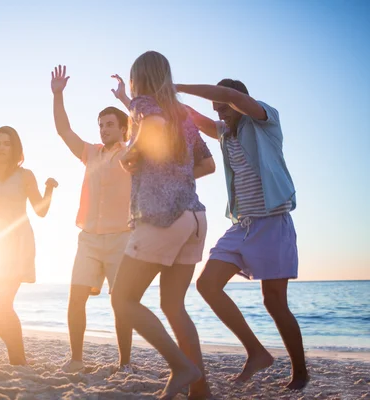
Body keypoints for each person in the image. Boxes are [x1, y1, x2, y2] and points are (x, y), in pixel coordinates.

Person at [176, 79, 309, 390]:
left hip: (273, 222)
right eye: (217, 110)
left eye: (224, 107)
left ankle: (300, 371)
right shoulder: (225, 133)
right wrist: (162, 95)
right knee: (207, 284)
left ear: (238, 101)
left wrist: (178, 84)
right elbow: (194, 115)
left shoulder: (264, 119)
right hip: (242, 225)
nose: (221, 113)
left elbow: (227, 96)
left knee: (274, 302)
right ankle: (256, 351)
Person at [110, 51, 216, 399]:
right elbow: (208, 164)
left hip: (161, 217)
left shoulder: (145, 104)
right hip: (194, 217)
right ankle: (199, 392)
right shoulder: (183, 115)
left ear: (140, 78)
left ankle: (181, 366)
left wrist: (130, 154)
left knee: (123, 299)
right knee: (173, 305)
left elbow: (150, 128)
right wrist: (176, 174)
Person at [50, 65, 132, 373]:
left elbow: (145, 127)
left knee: (121, 302)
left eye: (109, 124)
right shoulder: (91, 153)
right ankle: (76, 359)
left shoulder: (131, 152)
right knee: (75, 299)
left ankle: (125, 363)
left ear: (124, 128)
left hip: (122, 237)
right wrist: (58, 95)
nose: (103, 129)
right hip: (88, 238)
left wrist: (125, 98)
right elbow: (63, 131)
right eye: (100, 125)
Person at [0, 126, 58, 365]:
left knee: (3, 303)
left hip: (17, 244)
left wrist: (49, 189)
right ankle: (13, 344)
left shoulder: (25, 175)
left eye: (6, 143)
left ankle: (17, 359)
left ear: (15, 147)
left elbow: (41, 211)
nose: (2, 148)